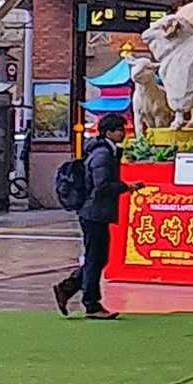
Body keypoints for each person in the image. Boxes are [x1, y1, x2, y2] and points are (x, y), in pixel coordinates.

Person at [54, 114, 142, 320]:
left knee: (98, 258)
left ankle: (68, 288)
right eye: (119, 130)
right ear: (109, 132)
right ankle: (91, 304)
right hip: (94, 213)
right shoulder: (102, 154)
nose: (123, 133)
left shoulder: (104, 151)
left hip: (95, 212)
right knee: (95, 258)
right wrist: (125, 187)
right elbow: (102, 186)